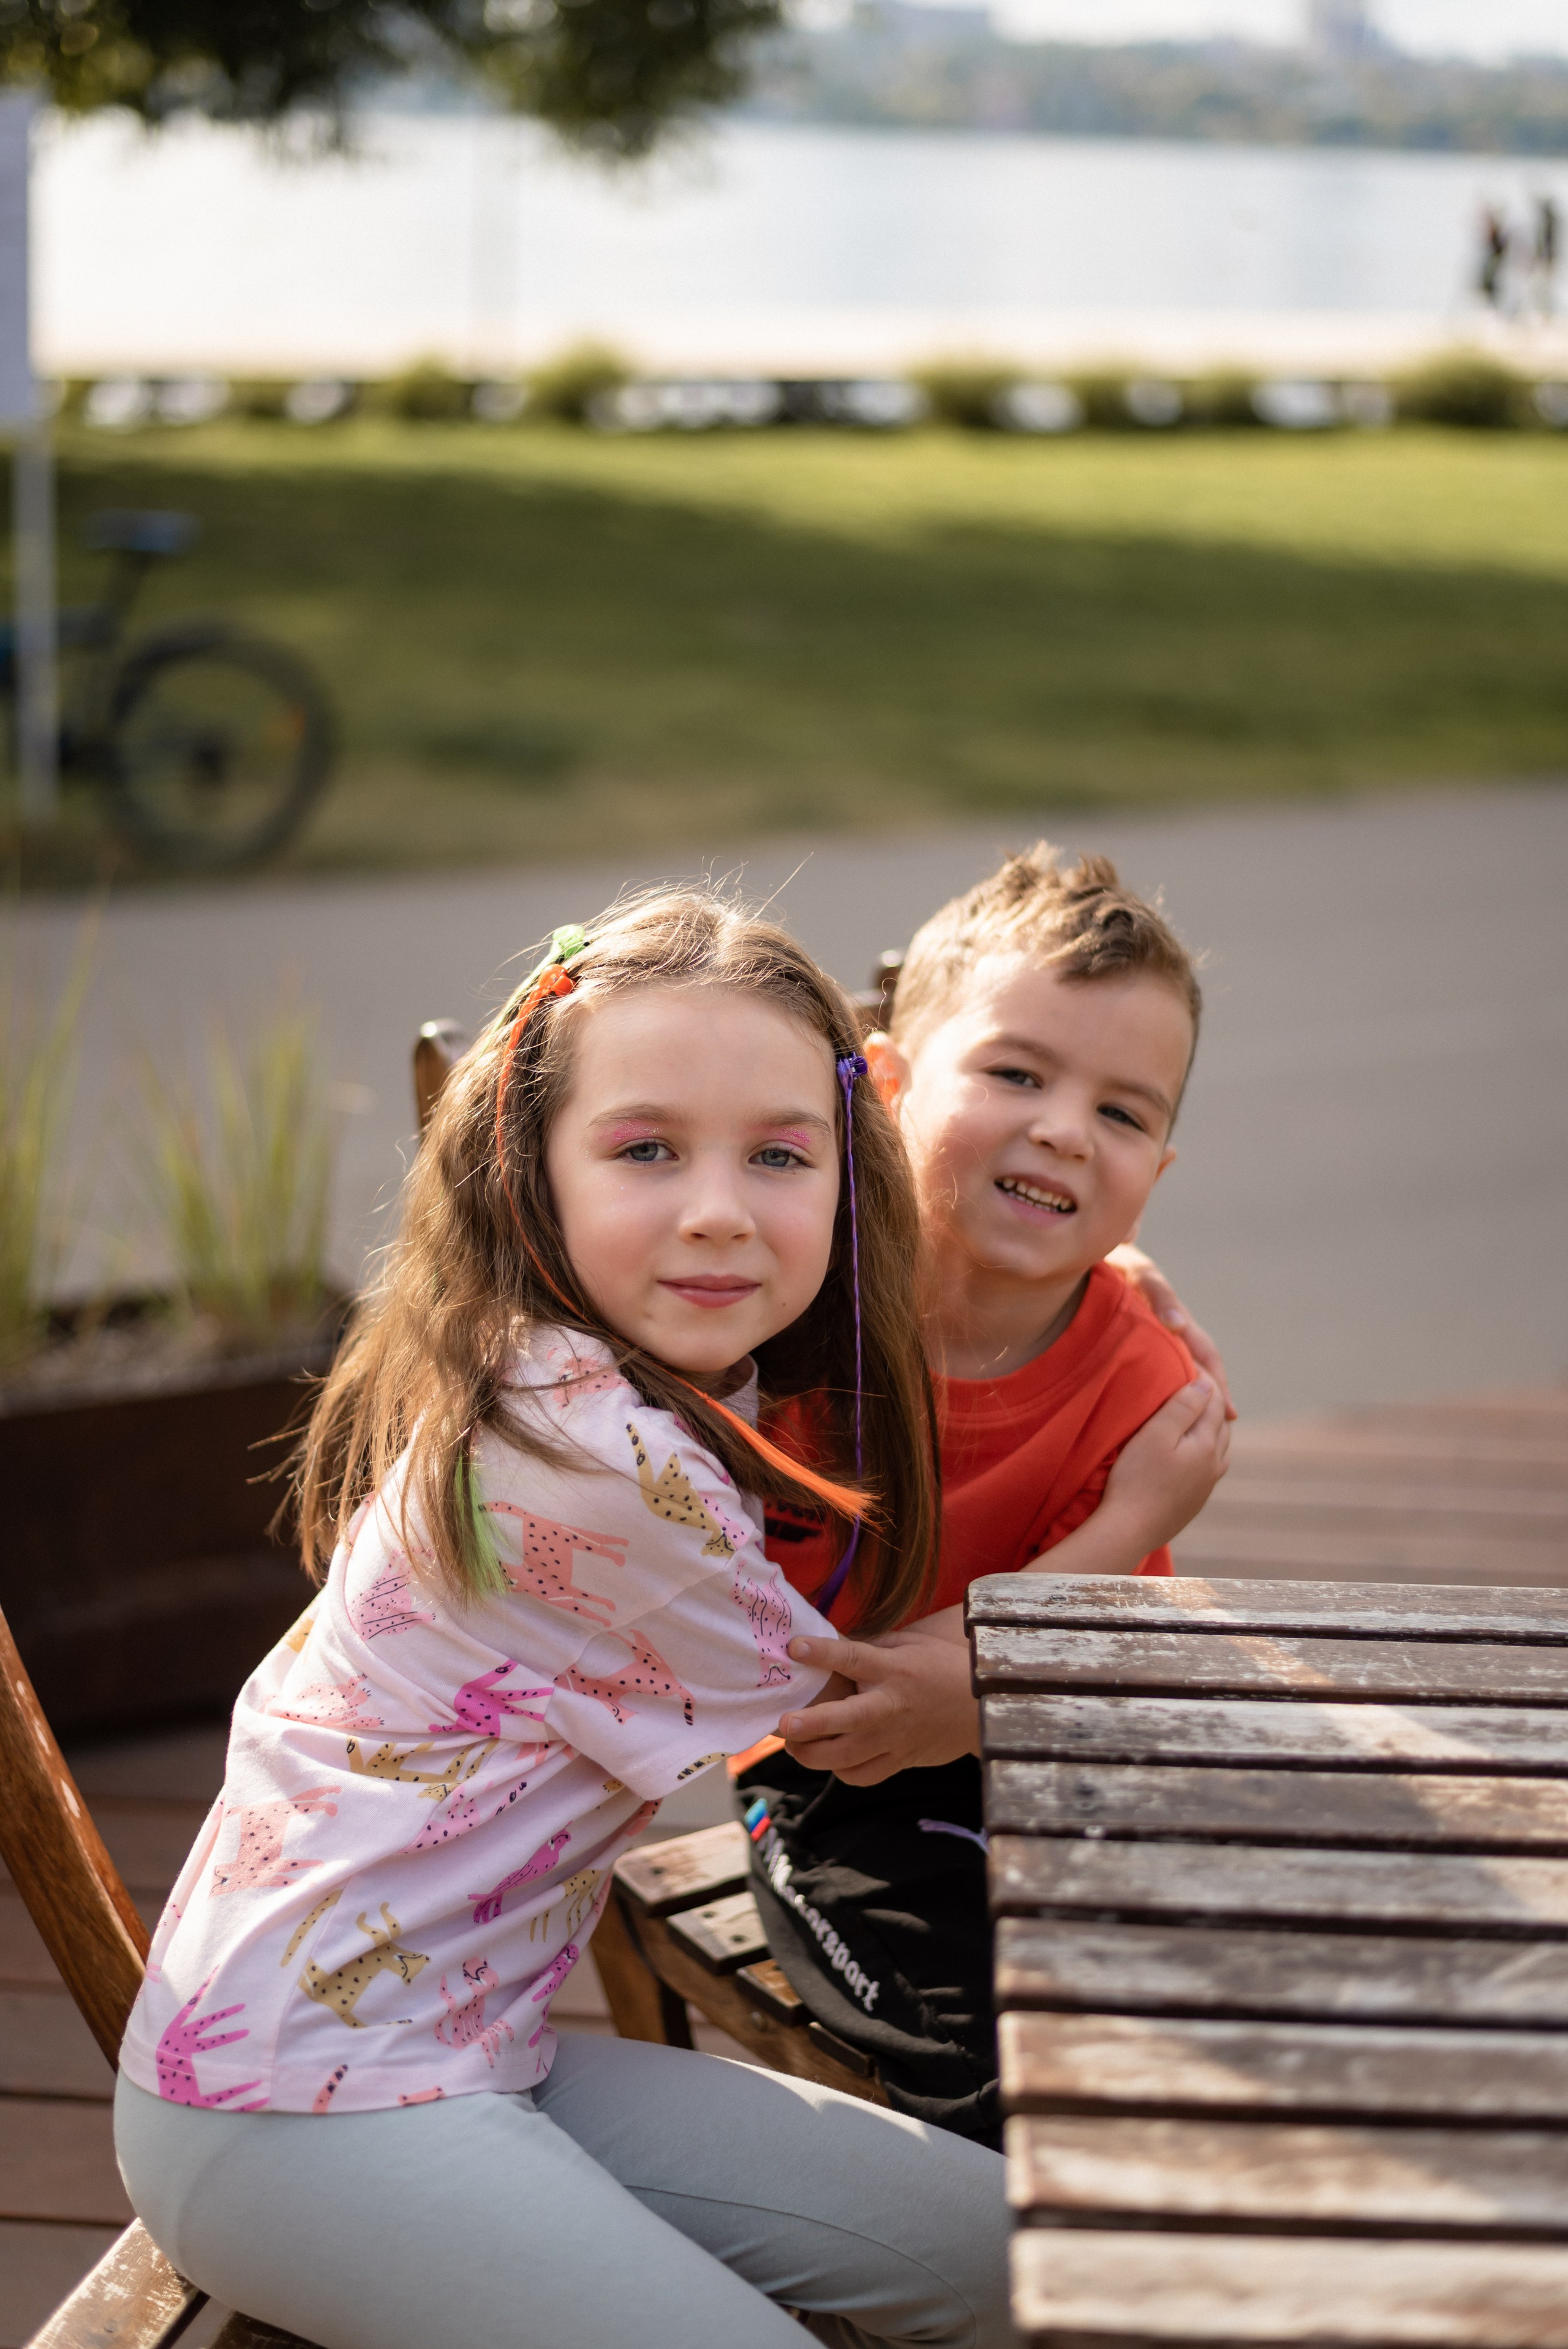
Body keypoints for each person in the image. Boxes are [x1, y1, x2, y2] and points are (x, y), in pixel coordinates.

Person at [112, 890, 1012, 2349]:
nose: (717, 1208)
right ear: (530, 1171)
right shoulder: (592, 1454)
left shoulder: (613, 1374)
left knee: (1016, 2266)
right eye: (646, 1148)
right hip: (292, 2102)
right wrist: (1132, 1504)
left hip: (474, 2038)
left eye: (778, 1154)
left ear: (845, 1177)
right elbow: (866, 1715)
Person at [736, 846, 1229, 2146]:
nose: (1064, 1128)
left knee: (1252, 1970)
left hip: (1076, 1746)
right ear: (891, 1081)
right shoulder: (786, 1310)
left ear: (1156, 1171)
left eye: (1122, 1114)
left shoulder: (1145, 1387)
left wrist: (1114, 1546)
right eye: (1015, 1074)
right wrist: (1125, 1528)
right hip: (841, 1771)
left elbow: (1110, 1664)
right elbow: (801, 1692)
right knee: (980, 2064)